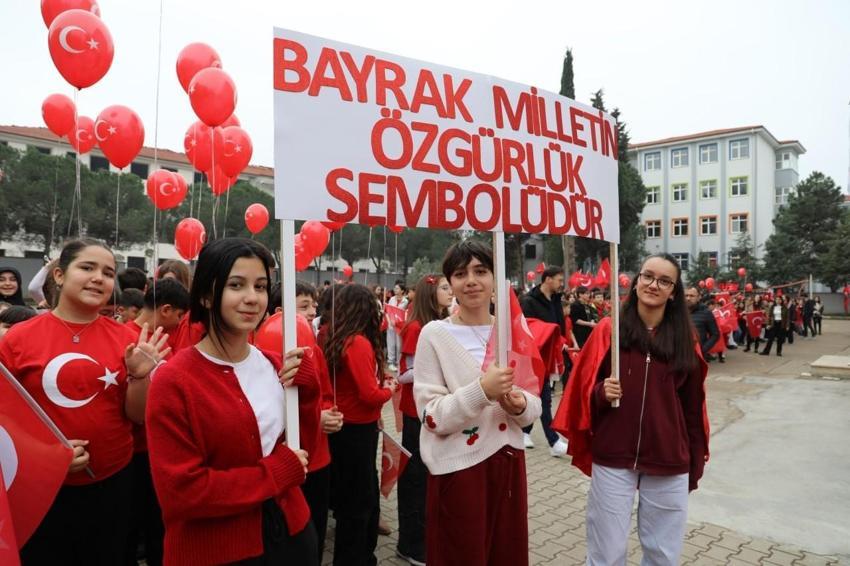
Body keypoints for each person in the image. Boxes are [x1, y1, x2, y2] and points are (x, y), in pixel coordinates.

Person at [145, 238, 317, 565]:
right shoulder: (174, 380)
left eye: (262, 286)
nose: (252, 298)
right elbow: (181, 493)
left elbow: (304, 450)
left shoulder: (274, 364)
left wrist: (308, 393)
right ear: (208, 294)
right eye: (237, 285)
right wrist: (276, 473)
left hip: (291, 533)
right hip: (217, 550)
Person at [0, 238, 169, 565]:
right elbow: (5, 418)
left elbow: (136, 416)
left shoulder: (129, 340)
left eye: (108, 272)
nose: (98, 278)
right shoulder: (18, 338)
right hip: (38, 488)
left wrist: (140, 376)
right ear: (60, 276)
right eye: (87, 267)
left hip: (112, 483)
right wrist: (48, 456)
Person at [552, 253, 709, 566]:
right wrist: (600, 393)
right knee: (606, 553)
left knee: (663, 555)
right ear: (637, 281)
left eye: (665, 281)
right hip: (614, 455)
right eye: (648, 276)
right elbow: (582, 389)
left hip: (668, 457)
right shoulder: (610, 329)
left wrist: (693, 458)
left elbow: (693, 405)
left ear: (674, 292)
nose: (654, 284)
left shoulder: (684, 337)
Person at [414, 240, 542, 566]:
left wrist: (519, 405)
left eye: (481, 271)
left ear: (495, 278)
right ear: (450, 282)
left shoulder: (512, 329)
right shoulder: (434, 335)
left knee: (506, 555)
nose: (471, 280)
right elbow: (431, 416)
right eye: (460, 273)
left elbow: (533, 404)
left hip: (508, 463)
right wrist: (481, 391)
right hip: (458, 470)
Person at [322, 283, 398, 566]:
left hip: (344, 427)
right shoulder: (358, 343)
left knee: (350, 499)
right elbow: (369, 395)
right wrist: (389, 388)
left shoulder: (335, 335)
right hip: (357, 430)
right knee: (358, 503)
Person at [124, 278, 190, 566]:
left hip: (151, 449)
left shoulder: (161, 340)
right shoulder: (127, 338)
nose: (181, 321)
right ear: (165, 310)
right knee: (140, 526)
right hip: (134, 451)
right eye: (179, 314)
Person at [395, 274, 453, 565]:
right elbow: (403, 373)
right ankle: (410, 543)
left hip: (434, 410)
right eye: (444, 288)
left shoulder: (440, 325)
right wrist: (440, 369)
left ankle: (424, 537)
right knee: (414, 479)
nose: (450, 291)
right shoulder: (417, 327)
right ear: (431, 293)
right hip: (415, 412)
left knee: (428, 476)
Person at [519, 266, 569, 456]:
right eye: (558, 279)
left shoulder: (556, 300)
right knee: (543, 398)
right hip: (534, 356)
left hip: (551, 355)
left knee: (538, 395)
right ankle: (553, 441)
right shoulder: (529, 301)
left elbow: (560, 325)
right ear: (547, 279)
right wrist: (549, 335)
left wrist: (560, 340)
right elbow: (528, 327)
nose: (561, 283)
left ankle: (524, 431)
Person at [684, 287, 720, 360]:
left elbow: (715, 334)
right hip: (678, 356)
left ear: (698, 297)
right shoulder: (677, 312)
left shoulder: (706, 313)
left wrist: (702, 349)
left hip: (696, 358)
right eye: (686, 295)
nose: (688, 298)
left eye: (691, 296)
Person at [386, 282, 408, 371]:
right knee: (391, 343)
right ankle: (391, 361)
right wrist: (389, 321)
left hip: (399, 326)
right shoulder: (391, 299)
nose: (395, 290)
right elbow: (387, 310)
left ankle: (398, 363)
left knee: (399, 345)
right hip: (391, 324)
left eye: (397, 288)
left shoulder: (405, 301)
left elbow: (405, 314)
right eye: (395, 288)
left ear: (402, 291)